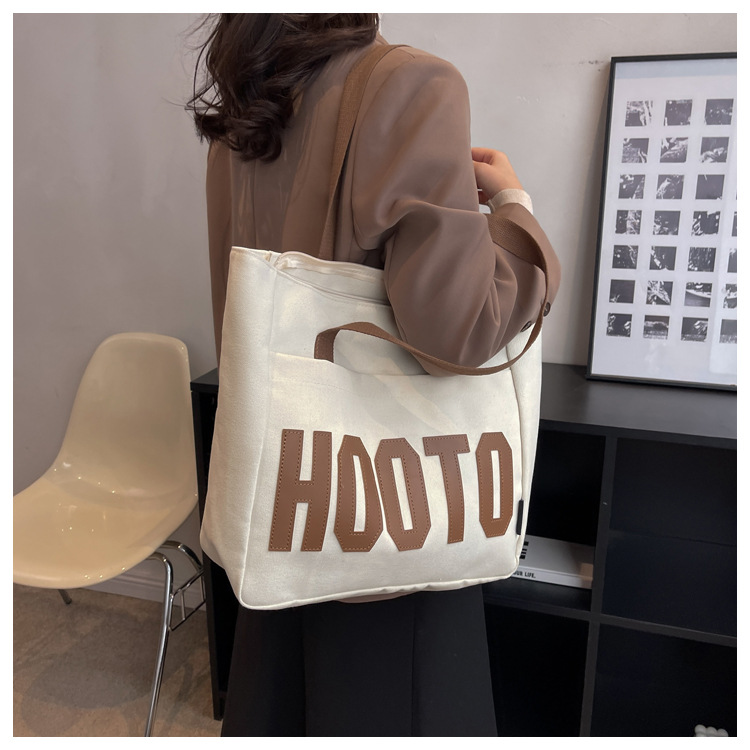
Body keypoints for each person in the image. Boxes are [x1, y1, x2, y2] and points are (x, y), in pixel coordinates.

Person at [188, 13, 560, 737]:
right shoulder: (411, 84)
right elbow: (460, 333)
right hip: (389, 527)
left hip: (285, 501)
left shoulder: (250, 100)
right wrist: (515, 211)